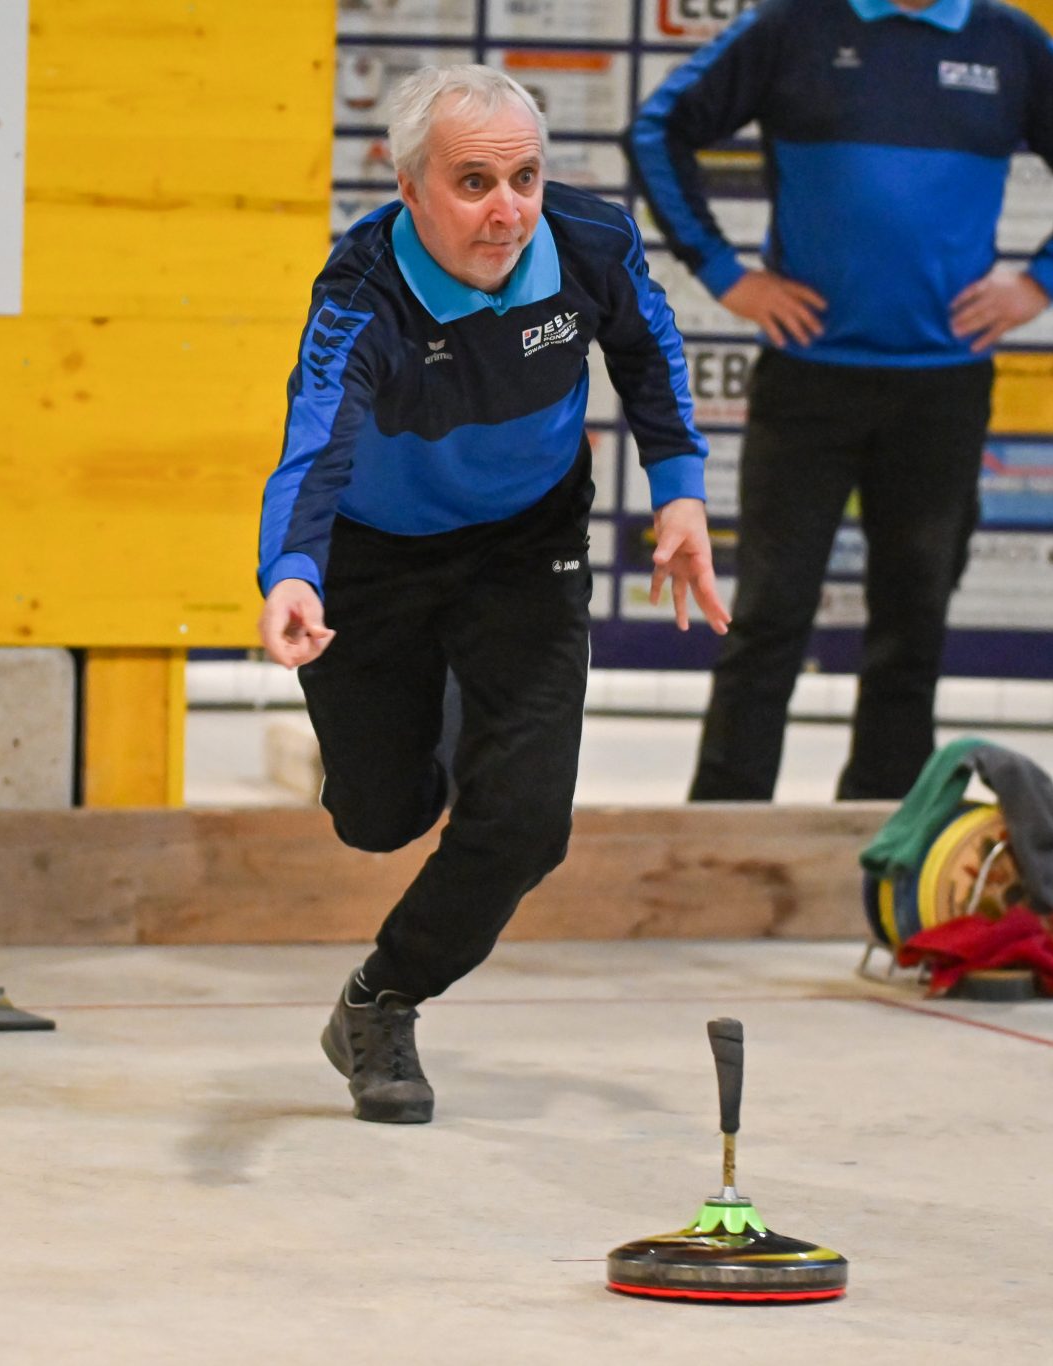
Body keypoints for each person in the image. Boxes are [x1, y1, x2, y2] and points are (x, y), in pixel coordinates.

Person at [256, 65, 730, 1124]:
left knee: (523, 825)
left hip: (527, 542)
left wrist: (681, 492)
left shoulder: (589, 244)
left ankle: (382, 1000)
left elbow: (649, 354)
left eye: (522, 176)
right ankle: (448, 716)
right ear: (408, 182)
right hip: (376, 560)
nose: (506, 210)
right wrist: (290, 573)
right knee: (379, 819)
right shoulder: (358, 294)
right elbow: (311, 451)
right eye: (472, 182)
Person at [627, 0, 1053, 801]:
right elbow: (660, 128)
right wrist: (724, 272)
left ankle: (889, 832)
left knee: (913, 625)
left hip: (942, 387)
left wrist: (1046, 278)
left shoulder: (1006, 41)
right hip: (808, 384)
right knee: (767, 619)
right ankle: (723, 823)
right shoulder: (793, 26)